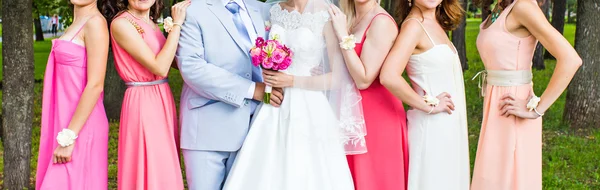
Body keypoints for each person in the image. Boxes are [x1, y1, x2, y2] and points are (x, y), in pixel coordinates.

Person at [222, 0, 366, 189]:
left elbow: (338, 77)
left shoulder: (326, 14)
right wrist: (268, 75)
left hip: (309, 104)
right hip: (273, 103)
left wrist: (291, 81)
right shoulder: (274, 10)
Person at [470, 0, 582, 189]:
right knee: (492, 176)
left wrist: (537, 109)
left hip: (512, 106)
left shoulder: (523, 6)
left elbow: (571, 59)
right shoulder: (501, 6)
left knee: (509, 178)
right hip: (495, 104)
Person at [175, 0, 275, 189]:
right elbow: (192, 68)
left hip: (259, 128)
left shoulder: (264, 10)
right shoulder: (193, 10)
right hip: (209, 127)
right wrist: (253, 90)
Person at [379, 0, 470, 189]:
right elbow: (388, 75)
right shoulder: (414, 26)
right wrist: (428, 105)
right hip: (432, 127)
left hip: (450, 124)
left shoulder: (435, 22)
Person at [107, 0, 191, 189]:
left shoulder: (152, 22)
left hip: (162, 96)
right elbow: (160, 67)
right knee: (151, 160)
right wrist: (177, 24)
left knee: (164, 162)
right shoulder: (121, 23)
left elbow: (173, 62)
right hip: (143, 100)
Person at [331, 0, 409, 189]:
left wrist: (342, 35)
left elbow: (364, 79)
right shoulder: (348, 18)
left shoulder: (381, 22)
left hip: (377, 119)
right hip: (351, 115)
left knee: (373, 181)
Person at [36, 0, 110, 189]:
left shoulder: (95, 23)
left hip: (81, 126)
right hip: (65, 121)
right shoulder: (77, 22)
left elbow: (95, 85)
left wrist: (69, 136)